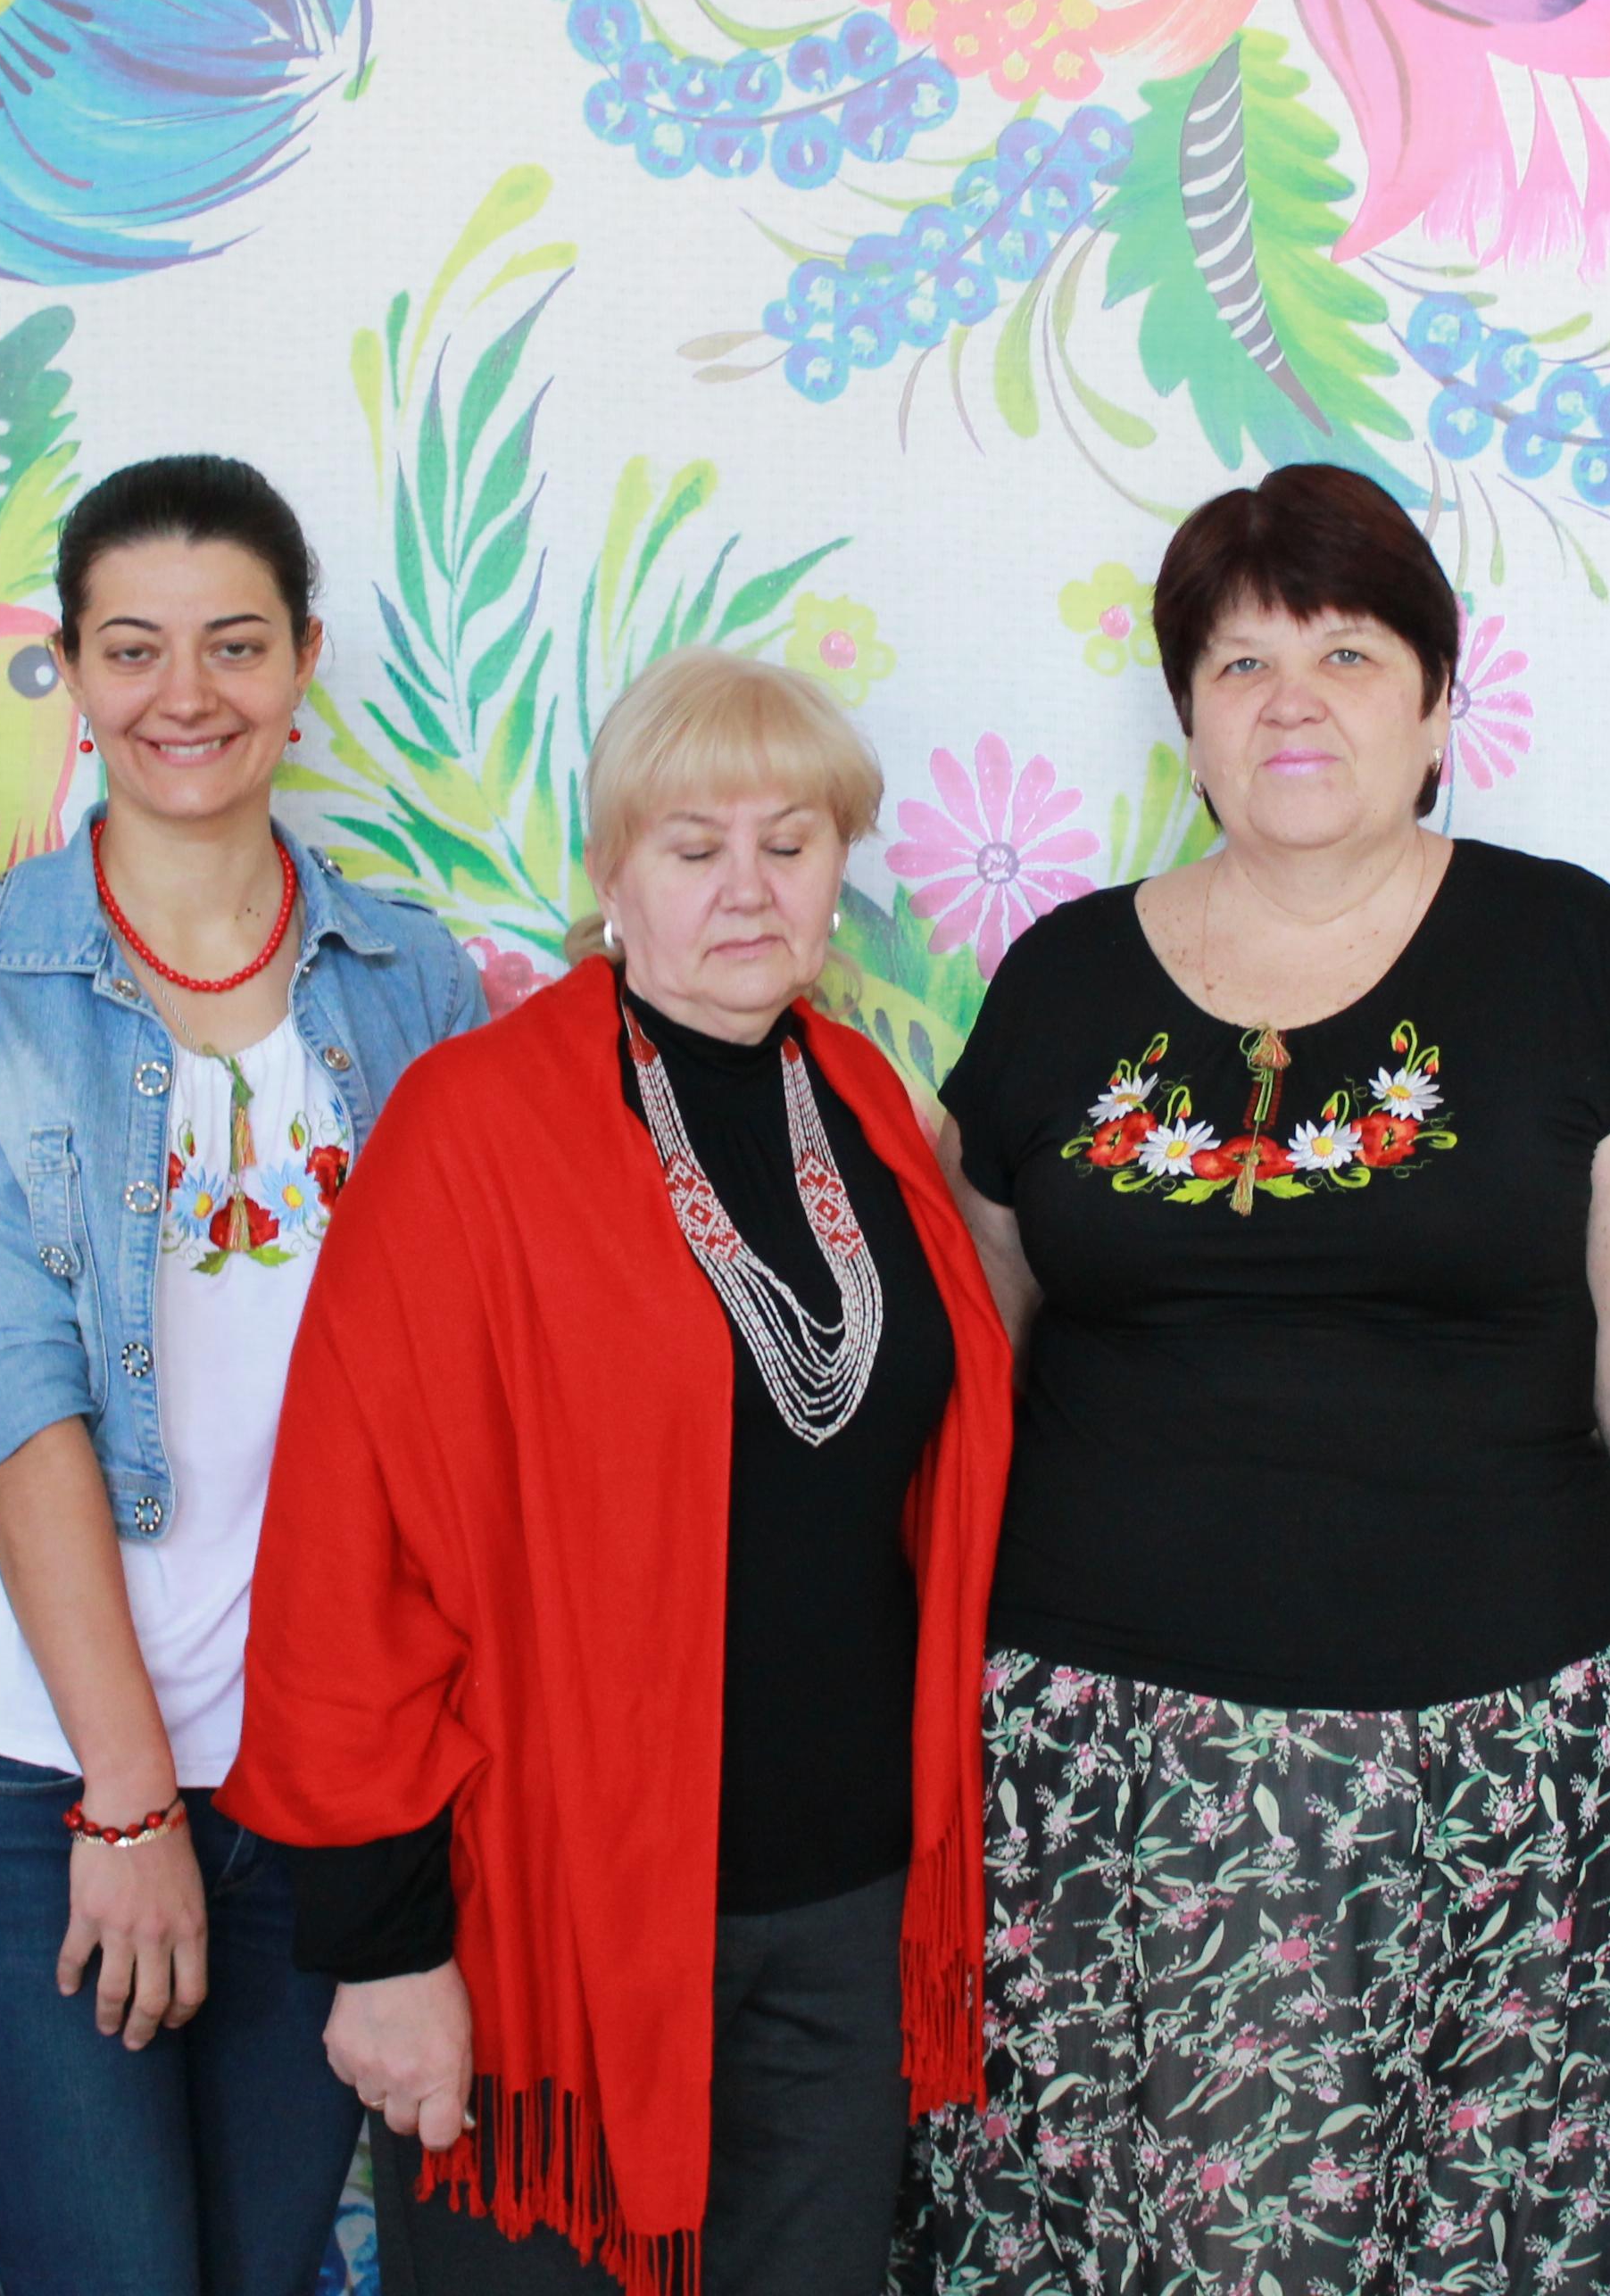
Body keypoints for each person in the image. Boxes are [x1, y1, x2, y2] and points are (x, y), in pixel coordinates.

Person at [897, 462, 1610, 2296]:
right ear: (1188, 719)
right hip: (1107, 1784)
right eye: (1242, 661)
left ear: (1436, 704)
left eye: (1349, 653)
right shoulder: (1060, 982)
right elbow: (967, 1359)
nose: (1294, 701)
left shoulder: (1571, 957)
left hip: (1507, 1772)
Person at [220, 646, 1015, 2296]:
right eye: (693, 845)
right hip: (559, 1919)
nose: (748, 889)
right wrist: (382, 1948)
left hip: (848, 1909)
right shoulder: (473, 1129)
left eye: (790, 843)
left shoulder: (865, 1102)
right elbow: (347, 1559)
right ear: (611, 871)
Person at [0, 455, 485, 2295]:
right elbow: (13, 1394)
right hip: (35, 1778)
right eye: (132, 648)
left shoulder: (413, 976)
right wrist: (126, 1798)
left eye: (235, 642)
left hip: (321, 1782)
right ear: (70, 670)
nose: (185, 693)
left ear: (303, 662)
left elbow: (450, 1410)